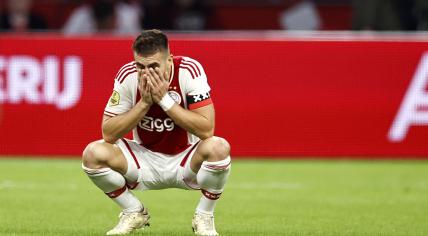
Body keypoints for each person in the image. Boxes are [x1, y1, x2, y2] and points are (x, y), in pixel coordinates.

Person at [82, 29, 231, 236]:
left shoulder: (189, 70)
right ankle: (133, 211)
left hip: (186, 160)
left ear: (169, 60)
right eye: (140, 66)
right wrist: (144, 103)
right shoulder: (128, 75)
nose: (146, 73)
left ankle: (204, 216)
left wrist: (164, 100)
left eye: (153, 66)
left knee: (219, 146)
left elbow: (207, 129)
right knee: (93, 153)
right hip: (143, 161)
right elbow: (108, 133)